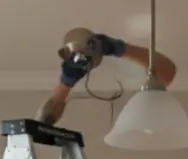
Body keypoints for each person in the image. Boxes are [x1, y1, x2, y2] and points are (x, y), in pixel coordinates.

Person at [34, 32, 178, 126]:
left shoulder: (134, 74)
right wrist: (67, 80)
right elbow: (43, 121)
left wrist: (117, 48)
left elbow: (167, 73)